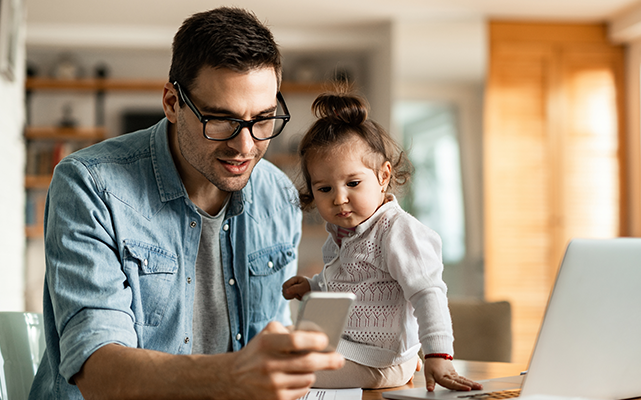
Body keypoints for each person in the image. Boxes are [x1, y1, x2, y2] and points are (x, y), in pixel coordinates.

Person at [29, 7, 344, 400]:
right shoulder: (89, 185)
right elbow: (99, 372)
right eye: (220, 120)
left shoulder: (278, 194)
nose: (245, 146)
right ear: (172, 102)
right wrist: (231, 376)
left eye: (263, 120)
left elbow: (274, 342)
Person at [280, 90, 481, 391]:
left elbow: (428, 293)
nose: (339, 198)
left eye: (353, 183)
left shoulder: (397, 232)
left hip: (379, 361)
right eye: (324, 189)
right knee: (279, 348)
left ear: (383, 176)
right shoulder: (341, 235)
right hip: (354, 349)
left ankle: (406, 362)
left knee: (285, 374)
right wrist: (314, 286)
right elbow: (350, 284)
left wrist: (438, 355)